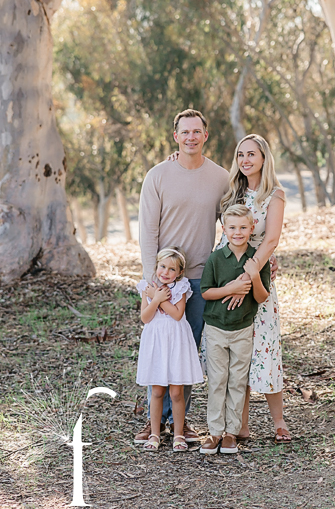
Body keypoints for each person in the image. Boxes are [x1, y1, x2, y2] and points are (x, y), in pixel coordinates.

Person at [135, 109, 230, 444]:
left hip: (199, 280)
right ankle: (153, 422)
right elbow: (148, 230)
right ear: (175, 136)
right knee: (159, 347)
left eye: (197, 132)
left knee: (186, 350)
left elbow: (235, 224)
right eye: (184, 132)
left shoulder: (221, 178)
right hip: (163, 280)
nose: (191, 137)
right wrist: (152, 281)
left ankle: (180, 421)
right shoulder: (157, 176)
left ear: (206, 135)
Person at [216, 134, 289, 443]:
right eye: (240, 154)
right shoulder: (232, 193)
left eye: (251, 154)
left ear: (263, 158)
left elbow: (271, 239)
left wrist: (251, 271)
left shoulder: (274, 194)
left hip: (256, 277)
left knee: (266, 346)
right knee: (238, 351)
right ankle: (240, 424)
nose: (245, 160)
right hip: (229, 278)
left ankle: (279, 421)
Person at [199, 204, 270, 455]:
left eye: (243, 227)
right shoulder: (216, 258)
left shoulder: (257, 260)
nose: (237, 232)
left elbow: (262, 297)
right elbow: (206, 292)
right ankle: (214, 432)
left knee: (238, 382)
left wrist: (254, 276)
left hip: (242, 329)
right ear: (224, 229)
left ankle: (231, 433)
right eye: (232, 227)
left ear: (252, 229)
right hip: (216, 328)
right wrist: (231, 289)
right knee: (218, 381)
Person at [135, 247, 204, 452]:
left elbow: (176, 314)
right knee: (156, 390)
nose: (165, 272)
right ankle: (155, 433)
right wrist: (153, 298)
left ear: (180, 273)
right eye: (162, 266)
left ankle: (179, 434)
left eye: (171, 269)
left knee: (176, 392)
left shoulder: (181, 287)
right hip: (156, 341)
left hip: (176, 341)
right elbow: (146, 318)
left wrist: (160, 299)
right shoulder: (147, 287)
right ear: (156, 266)